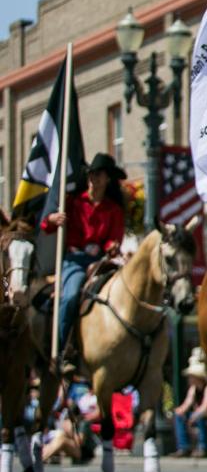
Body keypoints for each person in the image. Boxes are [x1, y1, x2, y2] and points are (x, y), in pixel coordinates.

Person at [41, 153, 127, 375]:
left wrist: (112, 246)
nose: (93, 178)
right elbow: (46, 227)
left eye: (98, 174)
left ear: (108, 179)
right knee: (70, 296)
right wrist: (51, 220)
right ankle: (61, 351)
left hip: (101, 261)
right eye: (91, 174)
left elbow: (114, 238)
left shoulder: (114, 210)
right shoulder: (73, 203)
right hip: (75, 260)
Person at [170, 348, 207, 458]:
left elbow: (205, 408)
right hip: (199, 415)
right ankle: (183, 447)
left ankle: (203, 447)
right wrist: (178, 412)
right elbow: (186, 404)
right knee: (179, 416)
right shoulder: (193, 389)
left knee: (199, 417)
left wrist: (193, 416)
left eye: (192, 377)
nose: (190, 379)